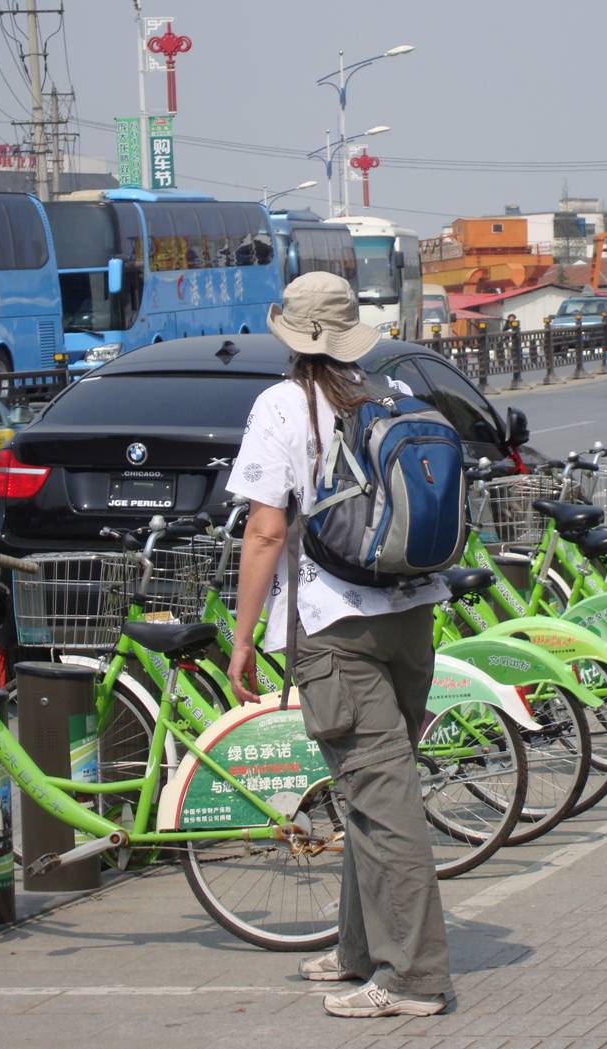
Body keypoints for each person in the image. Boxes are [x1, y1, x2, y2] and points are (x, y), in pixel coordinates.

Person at [224, 272, 453, 1018]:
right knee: (370, 791)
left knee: (382, 802)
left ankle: (412, 976)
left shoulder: (283, 405)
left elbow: (264, 531)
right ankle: (359, 950)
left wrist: (243, 636)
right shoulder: (388, 393)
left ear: (289, 334)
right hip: (411, 614)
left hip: (334, 627)